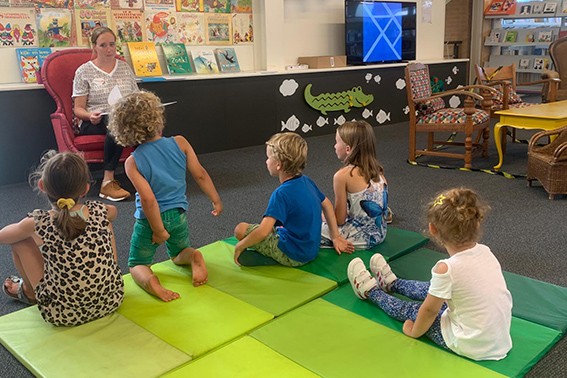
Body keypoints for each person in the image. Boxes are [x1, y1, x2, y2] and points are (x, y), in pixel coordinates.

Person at [347, 188, 512, 361]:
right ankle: (393, 284)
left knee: (414, 309)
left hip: (470, 343)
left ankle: (370, 291)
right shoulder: (486, 252)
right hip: (497, 340)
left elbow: (429, 310)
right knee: (434, 290)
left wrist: (414, 331)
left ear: (433, 229)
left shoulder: (446, 268)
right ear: (477, 223)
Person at [107, 91, 223, 302]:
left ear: (124, 131)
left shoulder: (133, 162)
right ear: (157, 118)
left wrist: (159, 230)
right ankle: (194, 256)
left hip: (150, 222)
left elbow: (149, 200)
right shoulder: (181, 142)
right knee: (179, 254)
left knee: (136, 264)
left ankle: (152, 283)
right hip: (179, 214)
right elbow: (200, 174)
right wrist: (215, 199)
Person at [0, 151, 124, 326]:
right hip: (112, 300)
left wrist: (27, 229)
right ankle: (105, 282)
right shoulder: (101, 210)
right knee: (105, 222)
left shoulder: (37, 222)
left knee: (20, 241)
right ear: (85, 189)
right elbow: (113, 211)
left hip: (62, 314)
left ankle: (29, 292)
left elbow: (3, 236)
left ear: (42, 186)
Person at [233, 132, 354, 267]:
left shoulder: (280, 194)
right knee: (277, 225)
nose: (266, 161)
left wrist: (240, 246)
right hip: (311, 250)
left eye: (268, 158)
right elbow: (327, 204)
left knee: (240, 229)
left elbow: (263, 231)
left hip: (293, 255)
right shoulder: (306, 181)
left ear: (278, 164)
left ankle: (273, 259)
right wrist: (335, 236)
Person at [72, 26, 139, 202]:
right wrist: (89, 115)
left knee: (144, 121)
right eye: (103, 45)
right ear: (94, 46)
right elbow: (78, 109)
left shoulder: (125, 67)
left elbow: (136, 97)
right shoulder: (83, 71)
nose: (109, 49)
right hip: (95, 121)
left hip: (124, 116)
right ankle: (107, 182)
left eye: (112, 44)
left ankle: (148, 174)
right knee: (114, 121)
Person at [321, 120, 389, 250]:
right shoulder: (379, 172)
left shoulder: (342, 176)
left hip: (358, 238)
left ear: (348, 149)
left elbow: (339, 220)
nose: (334, 146)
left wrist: (323, 215)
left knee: (310, 226)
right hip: (380, 234)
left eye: (336, 142)